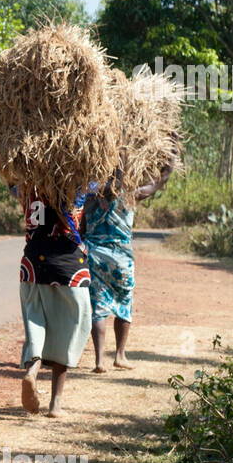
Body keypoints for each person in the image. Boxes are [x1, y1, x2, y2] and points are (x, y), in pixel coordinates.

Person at [82, 155, 175, 372]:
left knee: (99, 307)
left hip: (95, 256)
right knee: (124, 305)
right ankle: (120, 355)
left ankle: (99, 361)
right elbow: (161, 180)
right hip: (122, 258)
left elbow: (81, 226)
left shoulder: (89, 197)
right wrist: (173, 153)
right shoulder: (130, 195)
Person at [15, 185, 92, 418]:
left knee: (35, 323)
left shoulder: (28, 190)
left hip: (32, 263)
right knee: (69, 329)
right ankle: (55, 404)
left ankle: (34, 369)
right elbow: (107, 183)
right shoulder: (77, 189)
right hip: (68, 265)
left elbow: (10, 182)